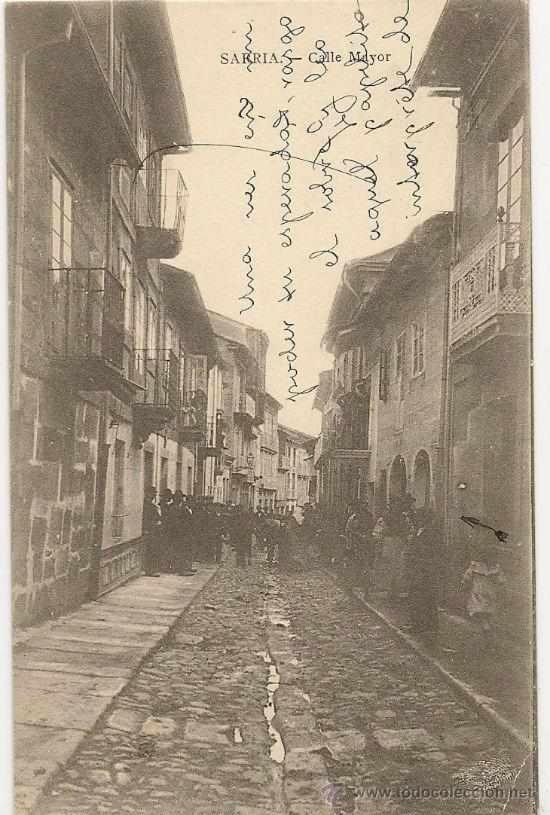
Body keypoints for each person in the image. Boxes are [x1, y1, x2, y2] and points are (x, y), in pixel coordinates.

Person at [460, 527, 506, 650]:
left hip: (477, 595)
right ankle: (487, 637)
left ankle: (482, 639)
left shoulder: (474, 566)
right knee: (487, 616)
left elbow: (466, 578)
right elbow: (502, 581)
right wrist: (500, 588)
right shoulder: (496, 568)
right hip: (490, 595)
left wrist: (463, 587)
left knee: (478, 617)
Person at [407, 508, 441, 644]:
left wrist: (419, 559)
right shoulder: (419, 531)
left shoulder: (431, 533)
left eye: (420, 517)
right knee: (418, 596)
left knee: (423, 597)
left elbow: (433, 552)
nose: (417, 519)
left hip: (426, 571)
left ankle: (424, 625)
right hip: (418, 569)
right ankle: (421, 624)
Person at [142, 487, 161, 576]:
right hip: (149, 531)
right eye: (153, 493)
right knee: (150, 550)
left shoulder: (152, 505)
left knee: (153, 550)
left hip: (153, 531)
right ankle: (150, 570)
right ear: (147, 493)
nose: (154, 495)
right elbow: (145, 519)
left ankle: (151, 569)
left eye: (155, 493)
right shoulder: (145, 505)